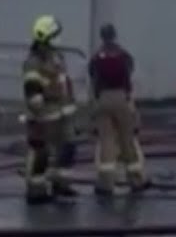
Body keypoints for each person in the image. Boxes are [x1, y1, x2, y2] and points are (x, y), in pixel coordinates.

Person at [21, 15, 78, 203]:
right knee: (42, 153)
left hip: (62, 112)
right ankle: (36, 190)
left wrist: (71, 106)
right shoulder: (33, 62)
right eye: (55, 34)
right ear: (47, 37)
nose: (59, 38)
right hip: (44, 114)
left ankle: (61, 184)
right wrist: (37, 113)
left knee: (68, 148)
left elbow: (64, 82)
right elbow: (32, 91)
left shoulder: (57, 57)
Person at [87, 24, 149, 196]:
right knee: (127, 139)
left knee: (106, 140)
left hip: (102, 99)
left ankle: (105, 183)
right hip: (122, 97)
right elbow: (129, 73)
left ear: (102, 37)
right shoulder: (124, 55)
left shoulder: (96, 57)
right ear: (114, 36)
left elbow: (93, 76)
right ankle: (136, 179)